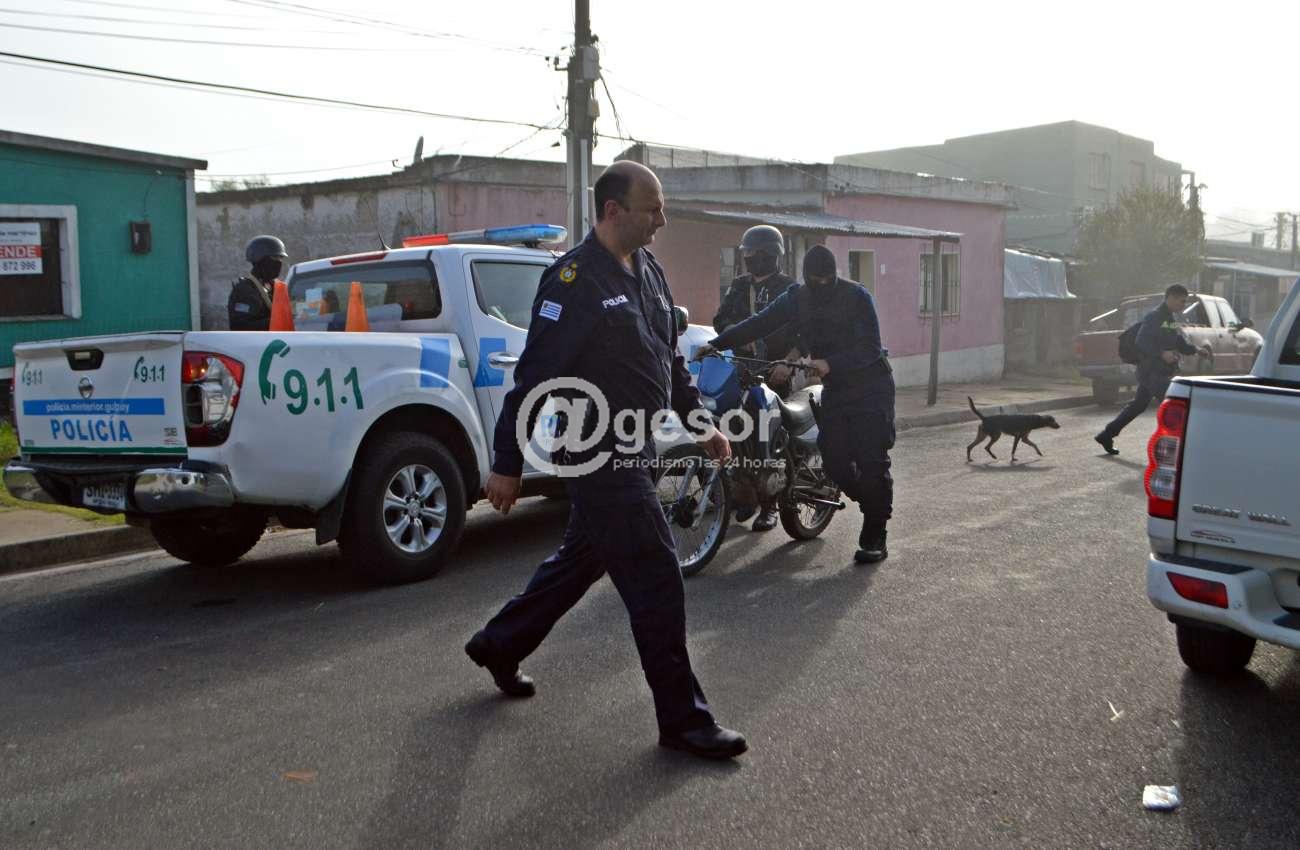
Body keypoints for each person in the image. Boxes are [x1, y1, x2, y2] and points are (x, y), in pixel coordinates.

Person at [464, 161, 747, 760]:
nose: (661, 220)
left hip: (638, 446)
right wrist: (507, 461)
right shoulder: (574, 281)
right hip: (598, 455)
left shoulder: (649, 269)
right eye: (653, 209)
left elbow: (668, 361)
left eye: (662, 207)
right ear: (613, 210)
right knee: (658, 577)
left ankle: (500, 643)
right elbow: (534, 376)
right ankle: (683, 720)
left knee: (577, 564)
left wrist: (702, 425)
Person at [695, 244, 895, 564]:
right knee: (834, 460)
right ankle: (871, 499)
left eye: (827, 280)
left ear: (834, 275)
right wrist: (717, 344)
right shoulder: (797, 298)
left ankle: (875, 532)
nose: (821, 285)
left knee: (872, 462)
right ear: (806, 277)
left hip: (871, 388)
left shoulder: (857, 296)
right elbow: (759, 323)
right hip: (837, 390)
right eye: (816, 280)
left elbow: (871, 348)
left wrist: (830, 363)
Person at [713, 224, 800, 532]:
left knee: (771, 439)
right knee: (736, 433)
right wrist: (736, 333)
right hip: (742, 370)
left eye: (754, 252)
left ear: (770, 254)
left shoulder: (790, 288)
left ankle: (771, 504)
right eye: (746, 252)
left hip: (776, 371)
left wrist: (789, 362)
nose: (749, 257)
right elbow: (720, 318)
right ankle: (744, 495)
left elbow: (804, 332)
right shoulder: (739, 286)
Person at [1095, 284, 1201, 454]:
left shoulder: (1169, 318)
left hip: (1156, 372)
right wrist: (1162, 353)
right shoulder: (1155, 317)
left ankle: (1106, 435)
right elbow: (1141, 341)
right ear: (1171, 298)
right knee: (1174, 407)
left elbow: (1177, 341)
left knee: (1138, 405)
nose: (1183, 305)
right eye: (1182, 301)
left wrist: (1196, 350)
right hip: (1152, 372)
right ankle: (1174, 449)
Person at [227, 235, 287, 331]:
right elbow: (240, 326)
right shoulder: (244, 290)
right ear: (260, 259)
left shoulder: (274, 286)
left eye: (280, 258)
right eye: (275, 257)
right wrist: (275, 321)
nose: (279, 262)